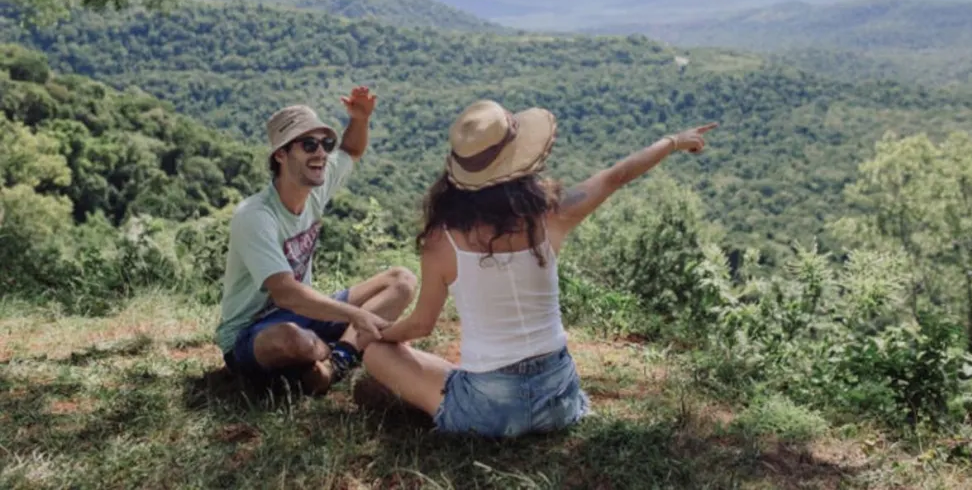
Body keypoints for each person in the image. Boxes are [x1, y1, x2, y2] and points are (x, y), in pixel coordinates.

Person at [356, 98, 717, 437]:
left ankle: (413, 404)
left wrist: (378, 334)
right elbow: (615, 176)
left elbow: (421, 324)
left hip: (488, 410)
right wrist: (673, 141)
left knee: (377, 354)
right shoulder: (550, 214)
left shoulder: (442, 241)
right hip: (558, 400)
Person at [214, 87, 417, 395]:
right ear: (281, 155)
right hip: (252, 334)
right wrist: (355, 315)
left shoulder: (314, 188)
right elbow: (285, 294)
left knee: (401, 280)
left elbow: (351, 151)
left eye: (325, 143)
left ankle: (338, 361)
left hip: (305, 314)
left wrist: (360, 119)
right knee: (293, 339)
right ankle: (344, 348)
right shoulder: (255, 216)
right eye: (308, 145)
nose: (321, 153)